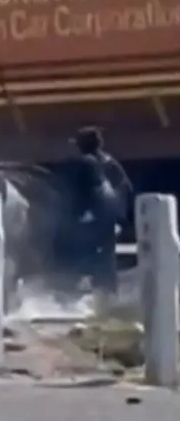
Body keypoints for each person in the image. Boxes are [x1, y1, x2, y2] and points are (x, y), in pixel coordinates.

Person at [69, 126, 132, 300]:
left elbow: (84, 191)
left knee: (84, 253)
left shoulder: (86, 163)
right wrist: (121, 216)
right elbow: (126, 187)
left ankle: (86, 293)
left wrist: (81, 212)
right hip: (110, 216)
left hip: (92, 218)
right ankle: (108, 293)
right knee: (107, 255)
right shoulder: (110, 162)